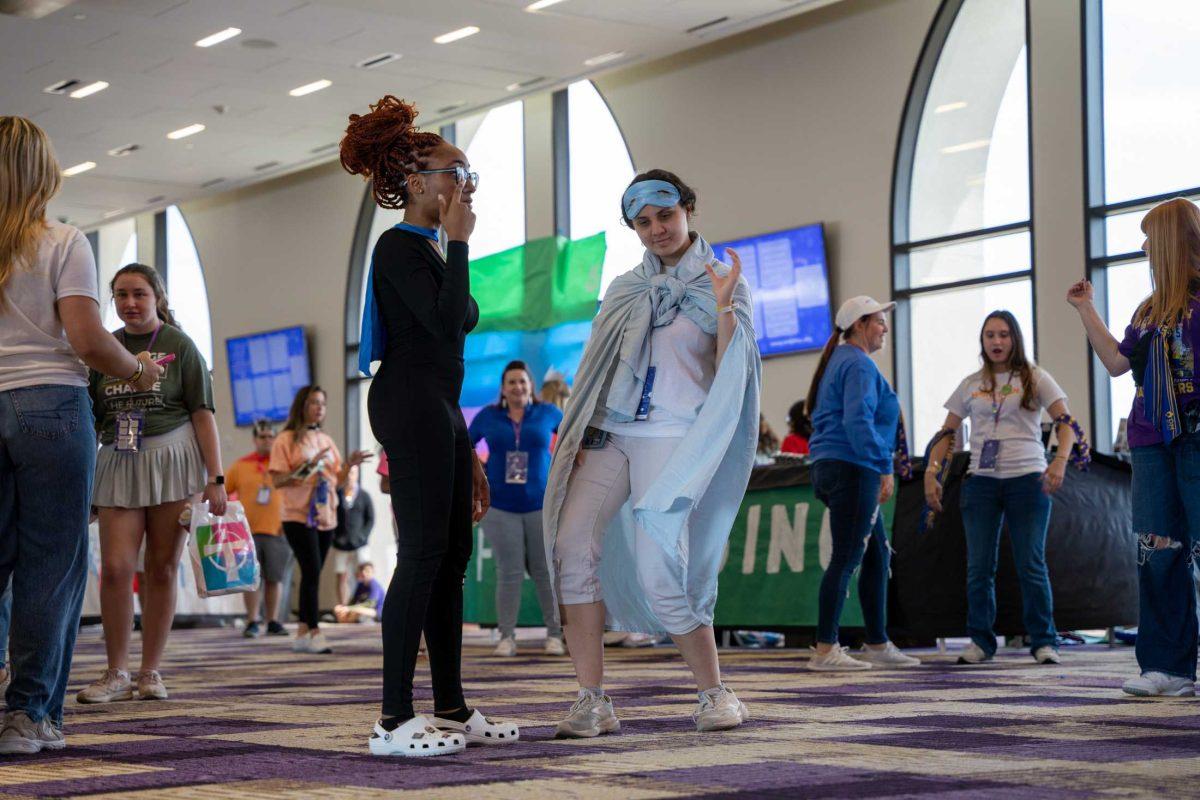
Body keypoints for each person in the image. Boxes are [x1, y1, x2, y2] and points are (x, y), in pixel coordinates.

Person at [544, 169, 761, 737]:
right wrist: (581, 432)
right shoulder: (625, 289)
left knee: (659, 566)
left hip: (676, 433)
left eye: (664, 215)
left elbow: (732, 375)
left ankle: (716, 693)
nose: (656, 229)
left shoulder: (723, 282)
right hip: (612, 432)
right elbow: (597, 373)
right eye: (642, 222)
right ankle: (592, 701)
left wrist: (724, 310)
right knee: (570, 547)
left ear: (688, 208)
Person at [341, 94, 518, 756]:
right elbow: (446, 323)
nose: (465, 185)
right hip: (408, 401)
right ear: (416, 184)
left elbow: (452, 331)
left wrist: (465, 453)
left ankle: (450, 704)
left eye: (469, 174)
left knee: (452, 559)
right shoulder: (397, 247)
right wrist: (463, 241)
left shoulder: (433, 250)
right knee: (419, 554)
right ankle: (391, 719)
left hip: (437, 404)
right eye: (456, 172)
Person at [0, 117, 164, 753]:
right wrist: (139, 368)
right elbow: (88, 340)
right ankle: (27, 716)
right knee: (51, 566)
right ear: (46, 172)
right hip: (49, 408)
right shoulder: (63, 241)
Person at [1068, 197, 1200, 697]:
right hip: (1151, 441)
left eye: (1149, 236)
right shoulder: (1149, 308)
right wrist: (1086, 310)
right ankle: (1167, 668)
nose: (1143, 246)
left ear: (1169, 239)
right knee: (1157, 549)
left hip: (1196, 435)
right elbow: (1118, 364)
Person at [76, 263, 223, 705]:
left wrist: (216, 478)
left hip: (174, 458)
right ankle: (116, 670)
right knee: (117, 569)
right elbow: (88, 418)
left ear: (157, 296)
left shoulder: (180, 346)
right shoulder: (102, 348)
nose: (129, 303)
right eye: (120, 295)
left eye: (138, 294)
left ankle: (150, 671)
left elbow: (202, 413)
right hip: (119, 458)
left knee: (161, 568)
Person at [924, 311, 1077, 666]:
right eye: (990, 335)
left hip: (1028, 478)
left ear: (1015, 339)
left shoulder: (1036, 377)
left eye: (1004, 335)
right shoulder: (970, 384)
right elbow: (946, 433)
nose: (996, 342)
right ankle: (980, 640)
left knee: (1031, 564)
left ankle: (1043, 640)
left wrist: (1060, 460)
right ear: (982, 341)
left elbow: (1066, 422)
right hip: (981, 482)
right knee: (979, 567)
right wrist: (932, 472)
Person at [805, 296, 920, 672]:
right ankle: (825, 650)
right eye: (879, 322)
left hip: (835, 465)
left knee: (876, 555)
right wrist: (882, 465)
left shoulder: (840, 361)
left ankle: (877, 642)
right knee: (846, 558)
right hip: (854, 467)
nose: (884, 328)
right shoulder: (857, 363)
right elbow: (858, 423)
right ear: (859, 326)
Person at [468, 360, 565, 657]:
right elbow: (465, 445)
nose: (517, 387)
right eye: (511, 382)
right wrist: (478, 473)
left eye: (522, 381)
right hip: (501, 507)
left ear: (531, 385)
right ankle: (506, 637)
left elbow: (574, 440)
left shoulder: (548, 413)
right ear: (503, 388)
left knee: (543, 571)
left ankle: (555, 635)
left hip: (539, 505)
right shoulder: (488, 416)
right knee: (508, 571)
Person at [269, 385, 369, 655]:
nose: (319, 408)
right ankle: (313, 630)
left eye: (322, 403)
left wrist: (349, 465)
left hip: (326, 515)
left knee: (313, 573)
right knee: (311, 569)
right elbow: (277, 479)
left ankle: (302, 631)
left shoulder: (325, 440)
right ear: (302, 406)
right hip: (297, 515)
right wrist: (305, 469)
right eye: (314, 402)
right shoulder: (286, 440)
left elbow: (336, 480)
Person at [225, 420, 291, 638]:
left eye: (271, 436)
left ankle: (272, 621)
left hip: (277, 530)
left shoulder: (283, 466)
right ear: (254, 439)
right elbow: (222, 491)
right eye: (262, 436)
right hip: (247, 533)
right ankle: (252, 620)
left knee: (275, 578)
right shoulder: (240, 465)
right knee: (250, 579)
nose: (267, 440)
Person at [332, 465, 376, 606]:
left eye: (353, 473)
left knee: (364, 574)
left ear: (357, 474)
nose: (350, 476)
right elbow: (331, 515)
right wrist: (334, 538)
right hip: (341, 544)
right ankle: (344, 607)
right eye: (348, 473)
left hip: (360, 544)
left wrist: (363, 536)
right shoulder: (337, 494)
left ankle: (361, 605)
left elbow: (370, 518)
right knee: (341, 575)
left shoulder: (364, 495)